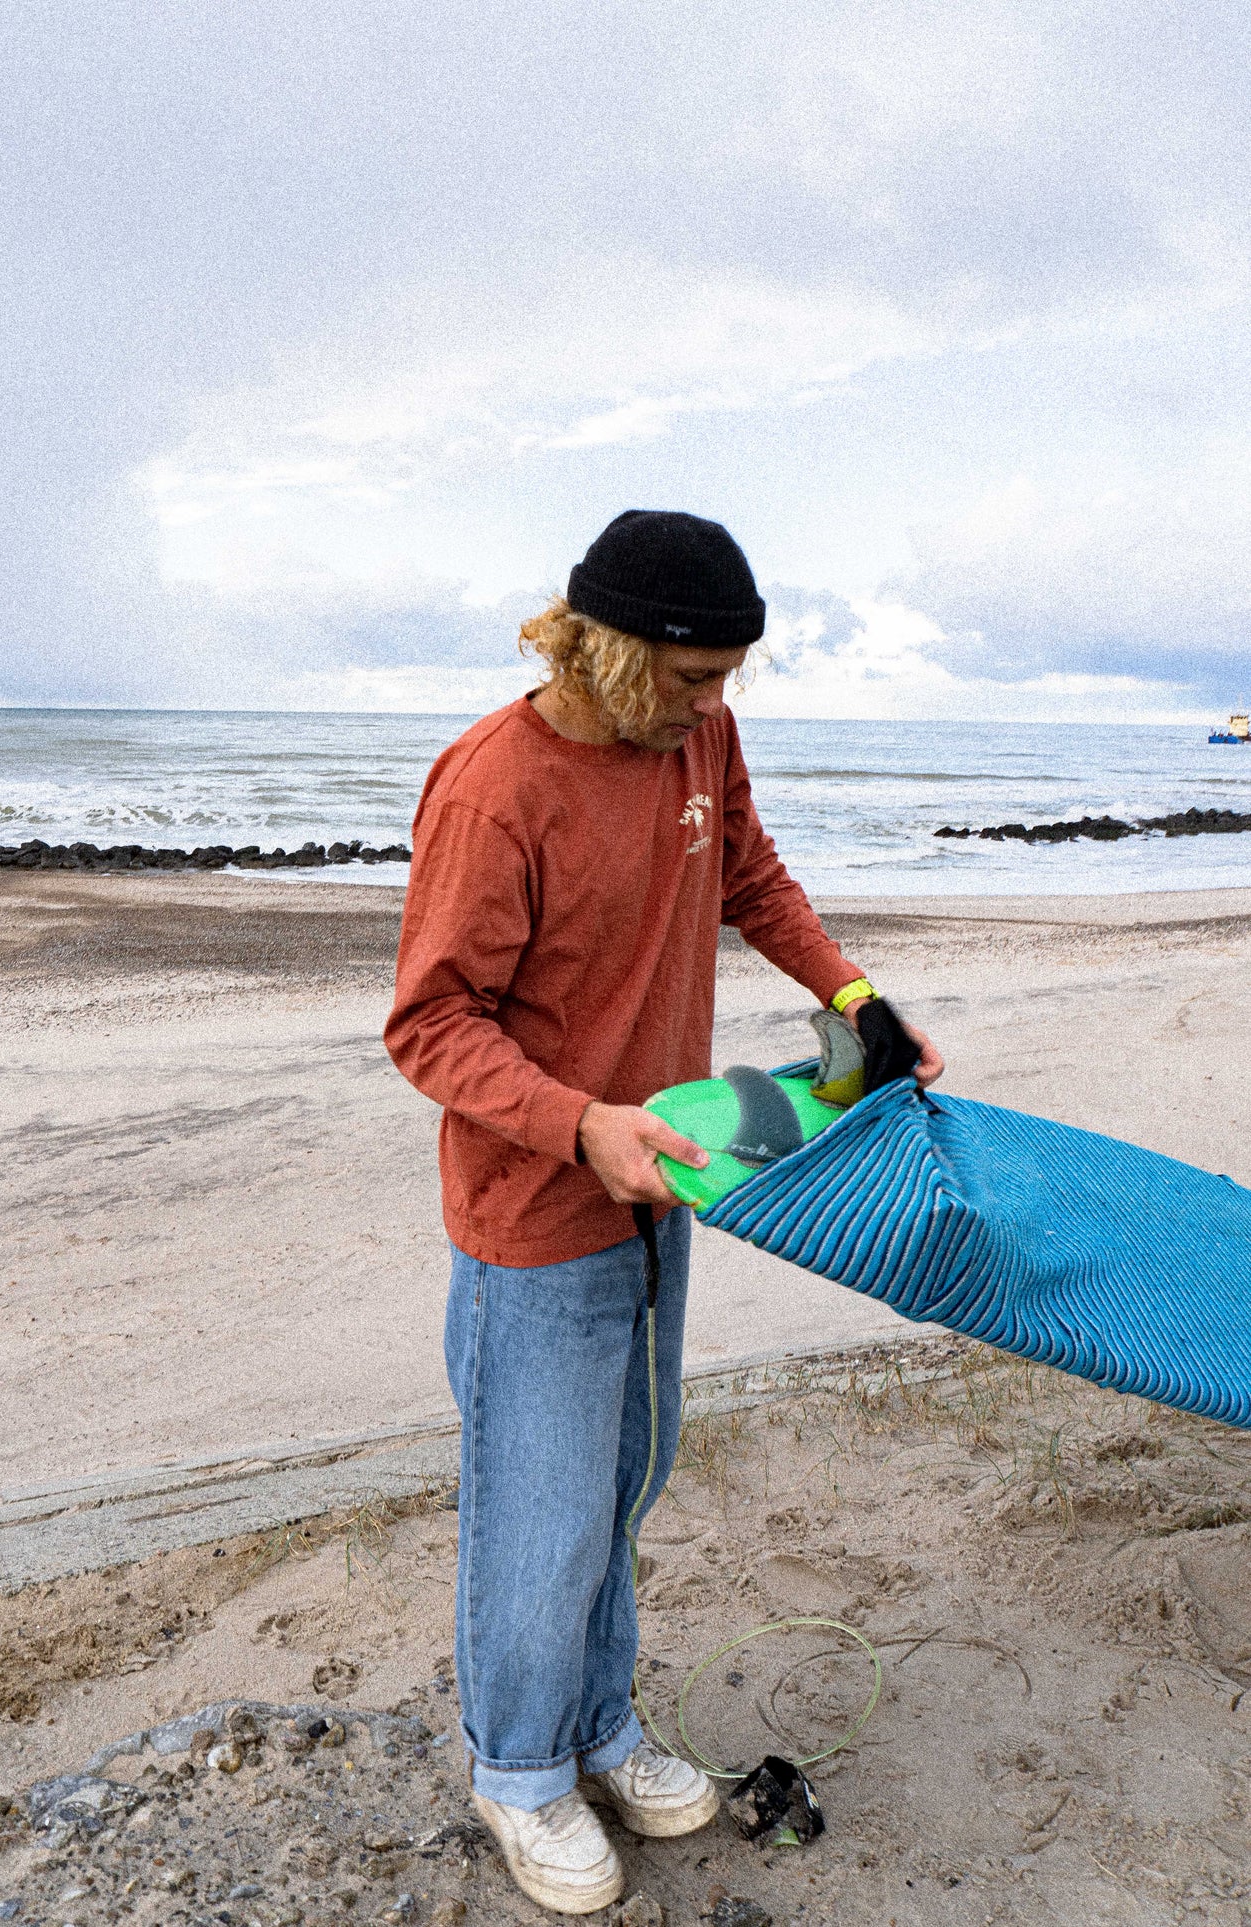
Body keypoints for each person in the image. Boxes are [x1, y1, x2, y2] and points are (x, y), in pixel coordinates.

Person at [384, 510, 943, 1915]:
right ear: (618, 654)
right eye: (697, 681)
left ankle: (600, 1729)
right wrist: (578, 1126)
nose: (717, 707)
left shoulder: (692, 741)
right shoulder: (492, 791)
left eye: (727, 680)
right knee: (539, 1508)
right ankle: (517, 1771)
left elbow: (748, 873)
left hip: (668, 1177)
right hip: (536, 1206)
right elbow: (429, 1026)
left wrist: (854, 1001)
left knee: (623, 1483)